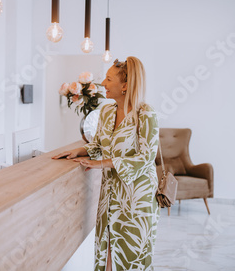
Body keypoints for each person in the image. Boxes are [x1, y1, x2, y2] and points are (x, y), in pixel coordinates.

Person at [52, 57, 160, 271]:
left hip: (137, 199)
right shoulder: (107, 111)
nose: (103, 83)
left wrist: (103, 164)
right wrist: (79, 150)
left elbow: (146, 157)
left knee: (132, 256)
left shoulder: (145, 113)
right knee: (107, 251)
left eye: (109, 79)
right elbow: (100, 145)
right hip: (110, 194)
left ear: (125, 85)